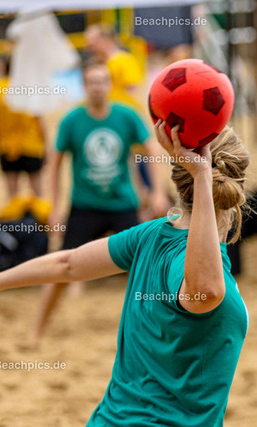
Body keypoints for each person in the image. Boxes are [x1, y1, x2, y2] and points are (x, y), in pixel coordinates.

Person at [0, 121, 250, 426]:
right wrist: (201, 176)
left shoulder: (150, 235)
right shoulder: (184, 256)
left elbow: (67, 263)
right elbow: (206, 290)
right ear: (238, 185)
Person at [30, 61, 170, 344]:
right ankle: (37, 331)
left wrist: (157, 192)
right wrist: (55, 206)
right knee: (62, 266)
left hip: (123, 204)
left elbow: (151, 149)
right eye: (92, 82)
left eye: (102, 81)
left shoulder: (126, 115)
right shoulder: (72, 120)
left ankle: (161, 331)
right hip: (85, 206)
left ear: (109, 84)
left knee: (147, 268)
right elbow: (55, 162)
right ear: (84, 86)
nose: (97, 87)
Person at [0, 59, 47, 198]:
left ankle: (15, 212)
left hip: (6, 146)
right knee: (37, 189)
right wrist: (46, 144)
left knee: (12, 191)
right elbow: (40, 119)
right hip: (31, 145)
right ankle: (40, 212)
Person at [84, 24, 143, 108]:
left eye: (94, 42)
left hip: (123, 110)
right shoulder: (95, 64)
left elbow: (134, 92)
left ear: (106, 40)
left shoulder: (124, 61)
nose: (89, 46)